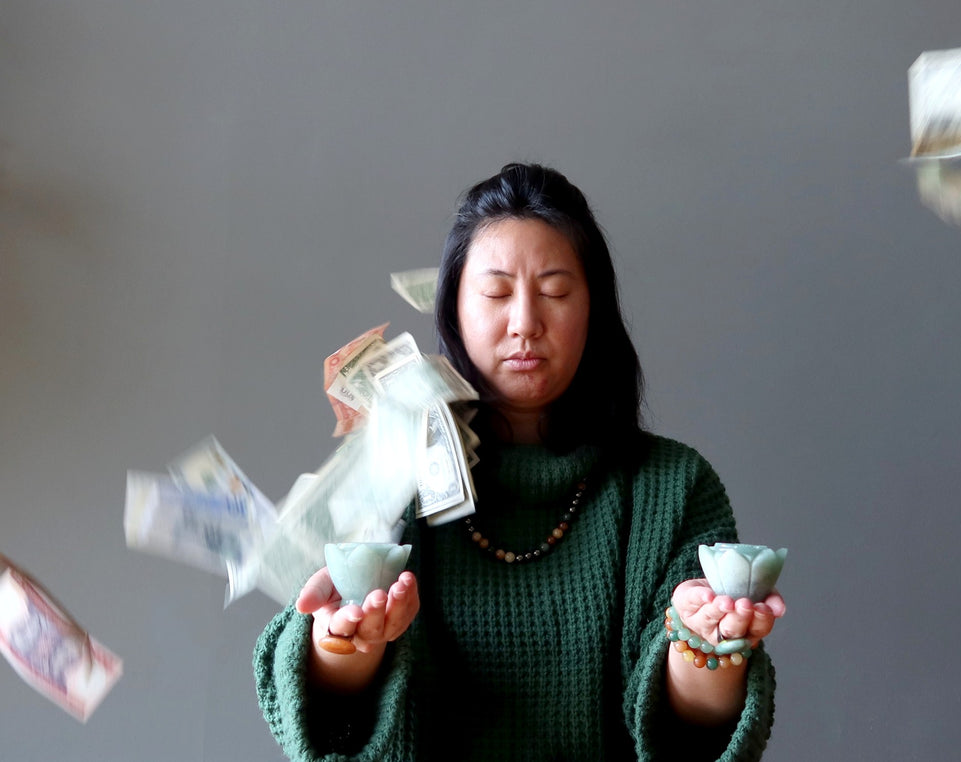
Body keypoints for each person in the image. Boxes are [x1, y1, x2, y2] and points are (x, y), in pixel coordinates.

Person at [253, 162, 787, 761]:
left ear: (595, 309)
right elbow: (321, 721)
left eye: (556, 292)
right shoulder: (390, 471)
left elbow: (691, 736)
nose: (526, 324)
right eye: (497, 293)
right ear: (453, 307)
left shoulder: (673, 488)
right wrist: (343, 644)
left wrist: (709, 644)